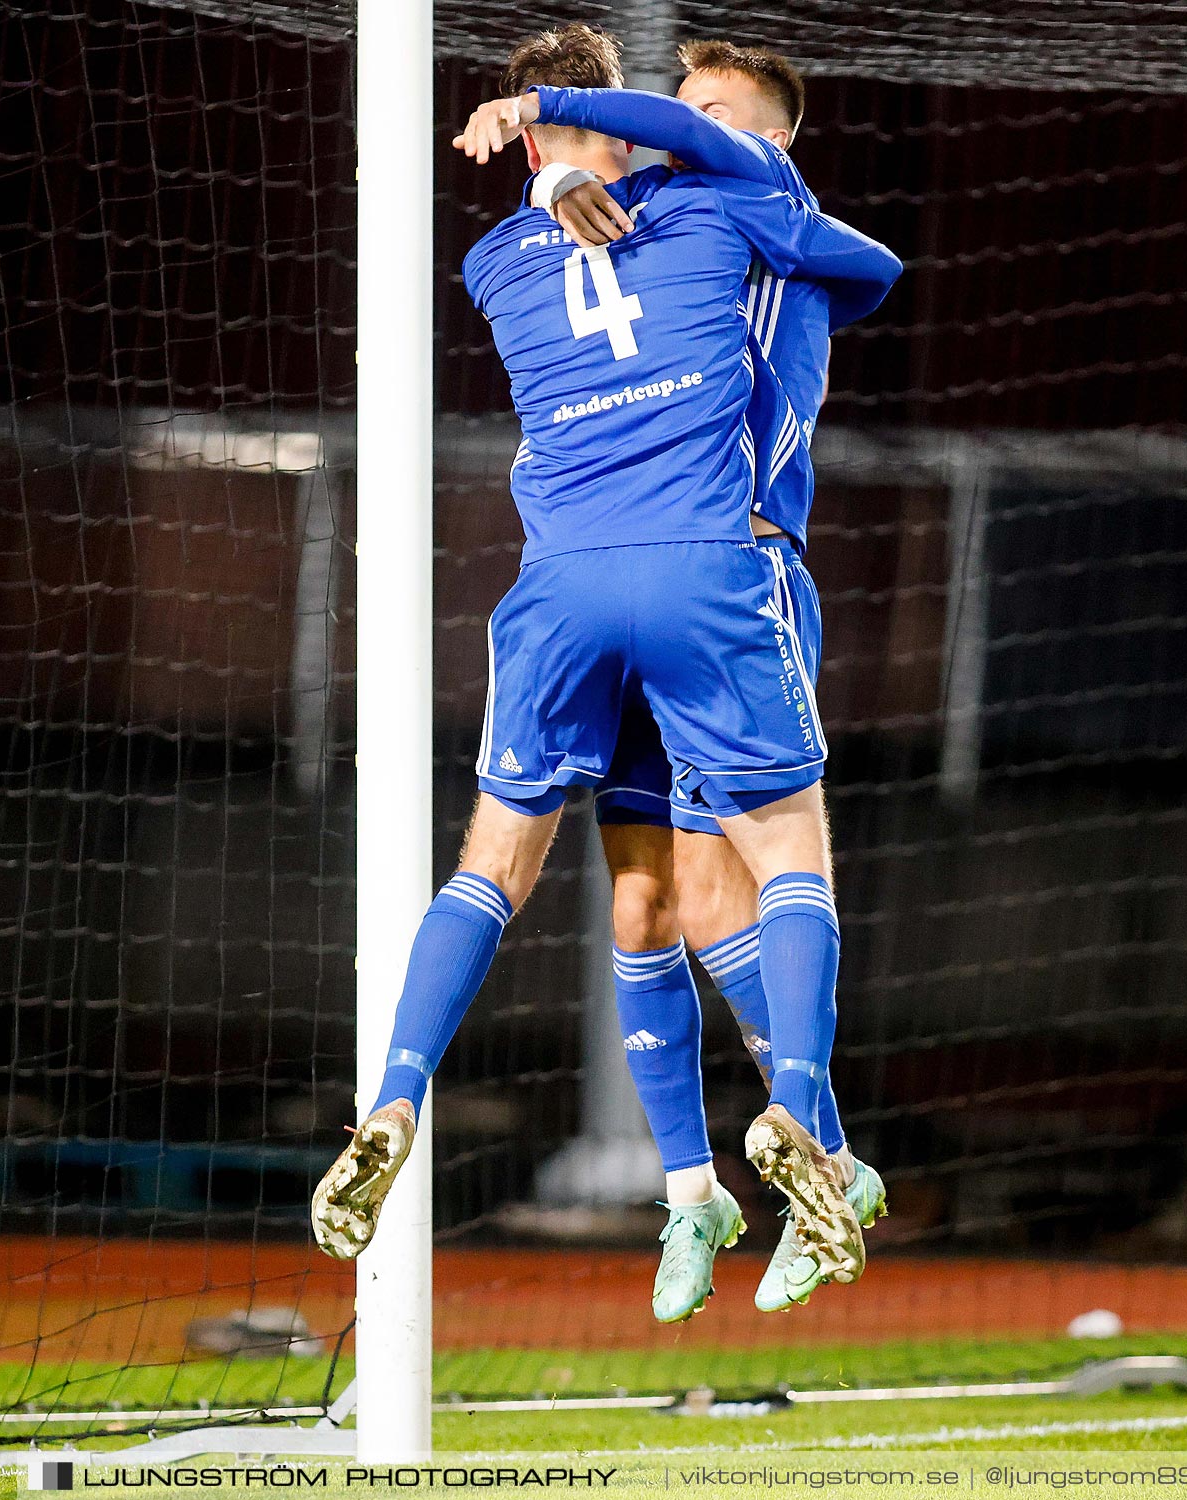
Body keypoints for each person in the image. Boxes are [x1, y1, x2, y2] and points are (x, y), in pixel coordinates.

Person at [310, 23, 900, 1317]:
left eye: (713, 110)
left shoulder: (747, 196)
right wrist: (564, 160)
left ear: (769, 135)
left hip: (697, 558)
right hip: (681, 580)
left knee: (682, 887)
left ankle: (811, 1150)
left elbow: (830, 241)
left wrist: (553, 133)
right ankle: (706, 1188)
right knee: (658, 904)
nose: (689, 121)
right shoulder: (663, 218)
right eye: (671, 107)